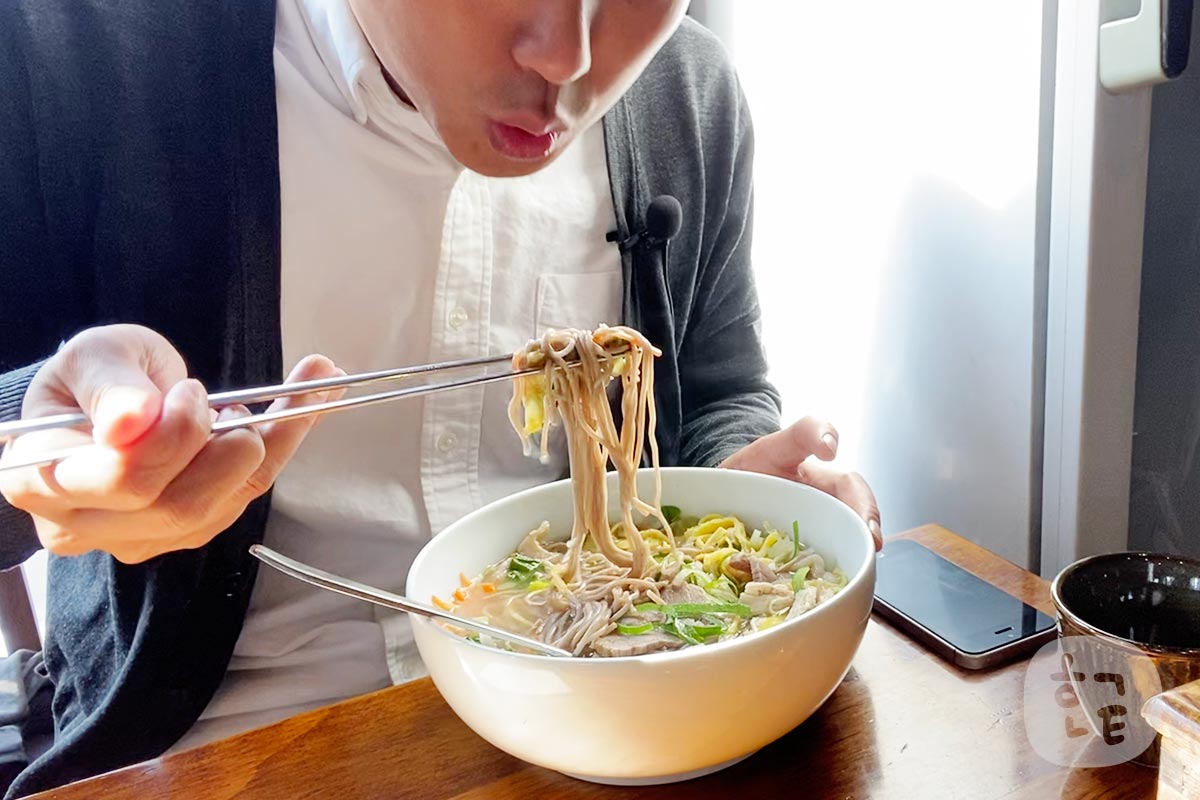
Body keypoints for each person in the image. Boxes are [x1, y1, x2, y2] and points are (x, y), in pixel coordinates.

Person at [0, 0, 881, 795]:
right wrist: (36, 449)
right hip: (227, 746)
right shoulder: (77, 47)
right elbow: (25, 445)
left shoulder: (688, 93)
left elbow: (720, 385)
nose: (566, 56)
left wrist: (739, 477)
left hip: (615, 721)